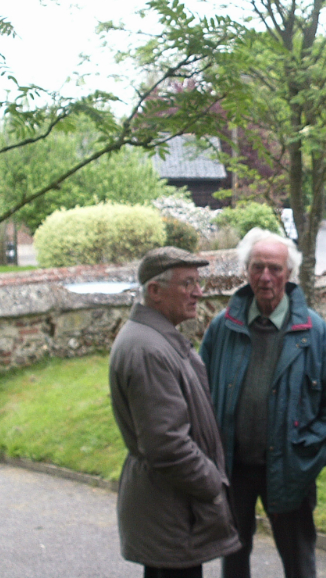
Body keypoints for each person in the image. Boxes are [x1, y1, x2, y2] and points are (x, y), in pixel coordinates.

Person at [200, 228, 326, 578]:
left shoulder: (315, 333)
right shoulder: (222, 328)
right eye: (257, 267)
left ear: (289, 274)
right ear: (245, 272)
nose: (265, 277)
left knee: (298, 560)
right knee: (233, 559)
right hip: (233, 470)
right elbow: (200, 394)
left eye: (275, 269)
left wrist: (306, 454)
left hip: (289, 470)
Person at [108, 246, 240, 578]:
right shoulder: (148, 349)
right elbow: (167, 446)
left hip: (171, 509)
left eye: (197, 282)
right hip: (170, 510)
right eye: (187, 284)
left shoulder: (156, 339)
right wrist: (213, 483)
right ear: (155, 291)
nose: (198, 292)